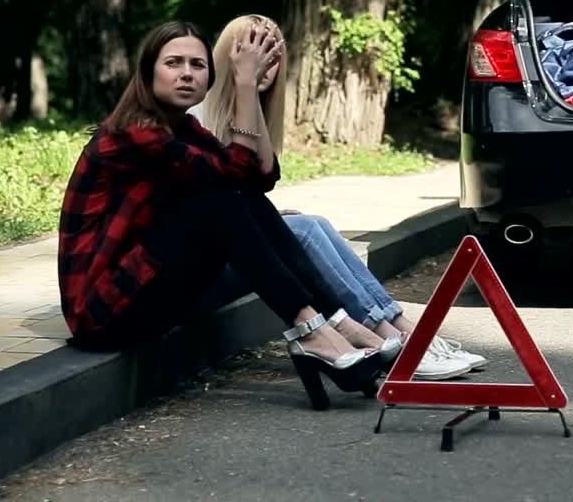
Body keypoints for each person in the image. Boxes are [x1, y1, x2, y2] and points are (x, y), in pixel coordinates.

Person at [57, 20, 386, 411]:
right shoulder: (134, 133)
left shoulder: (185, 128)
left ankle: (329, 324)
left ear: (210, 78)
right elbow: (232, 175)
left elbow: (259, 178)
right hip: (105, 314)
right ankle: (317, 328)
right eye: (173, 63)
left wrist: (252, 89)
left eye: (197, 65)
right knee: (216, 196)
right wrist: (245, 85)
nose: (186, 73)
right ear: (147, 73)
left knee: (239, 196)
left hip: (150, 288)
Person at [191, 14, 487, 380]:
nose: (264, 63)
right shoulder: (198, 113)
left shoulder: (248, 110)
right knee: (304, 230)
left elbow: (262, 179)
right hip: (203, 269)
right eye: (253, 51)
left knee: (313, 222)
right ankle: (389, 336)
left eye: (272, 54)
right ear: (228, 55)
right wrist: (246, 88)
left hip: (235, 252)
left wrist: (248, 96)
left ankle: (403, 330)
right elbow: (219, 201)